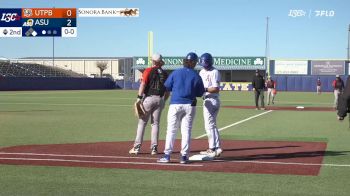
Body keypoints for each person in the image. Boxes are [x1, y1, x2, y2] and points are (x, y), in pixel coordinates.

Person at [157, 52, 205, 164]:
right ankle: (184, 156)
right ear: (194, 63)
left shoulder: (176, 72)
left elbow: (167, 87)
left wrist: (164, 100)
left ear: (185, 61)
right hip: (190, 105)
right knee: (186, 131)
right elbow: (200, 93)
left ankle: (167, 155)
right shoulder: (196, 75)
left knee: (171, 130)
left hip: (175, 104)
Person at [129, 53, 169, 155]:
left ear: (153, 61)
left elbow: (143, 84)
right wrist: (164, 100)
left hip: (149, 98)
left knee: (142, 123)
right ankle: (154, 148)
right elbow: (168, 91)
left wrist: (139, 98)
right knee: (155, 124)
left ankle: (137, 147)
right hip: (160, 99)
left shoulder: (148, 70)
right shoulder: (165, 73)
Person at [198, 53, 222, 158]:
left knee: (209, 125)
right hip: (207, 99)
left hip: (212, 99)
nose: (204, 65)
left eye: (205, 63)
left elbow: (216, 88)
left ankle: (212, 148)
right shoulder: (202, 71)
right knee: (212, 125)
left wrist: (205, 89)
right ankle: (217, 148)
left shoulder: (214, 71)